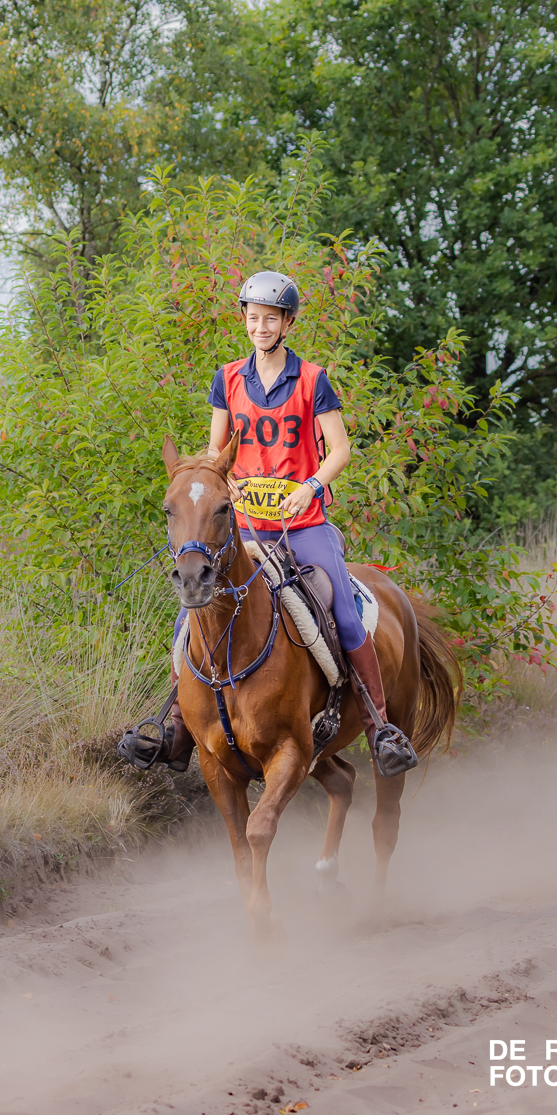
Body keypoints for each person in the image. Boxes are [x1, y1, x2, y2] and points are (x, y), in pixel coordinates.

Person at [155, 270, 418, 778]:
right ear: (244, 321)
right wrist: (217, 480)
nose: (259, 326)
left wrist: (310, 487)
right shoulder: (228, 378)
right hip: (244, 526)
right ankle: (177, 728)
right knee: (191, 614)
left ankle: (381, 726)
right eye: (252, 318)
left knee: (342, 608)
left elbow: (340, 450)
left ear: (287, 323)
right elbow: (216, 449)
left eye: (270, 319)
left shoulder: (314, 380)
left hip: (302, 524)